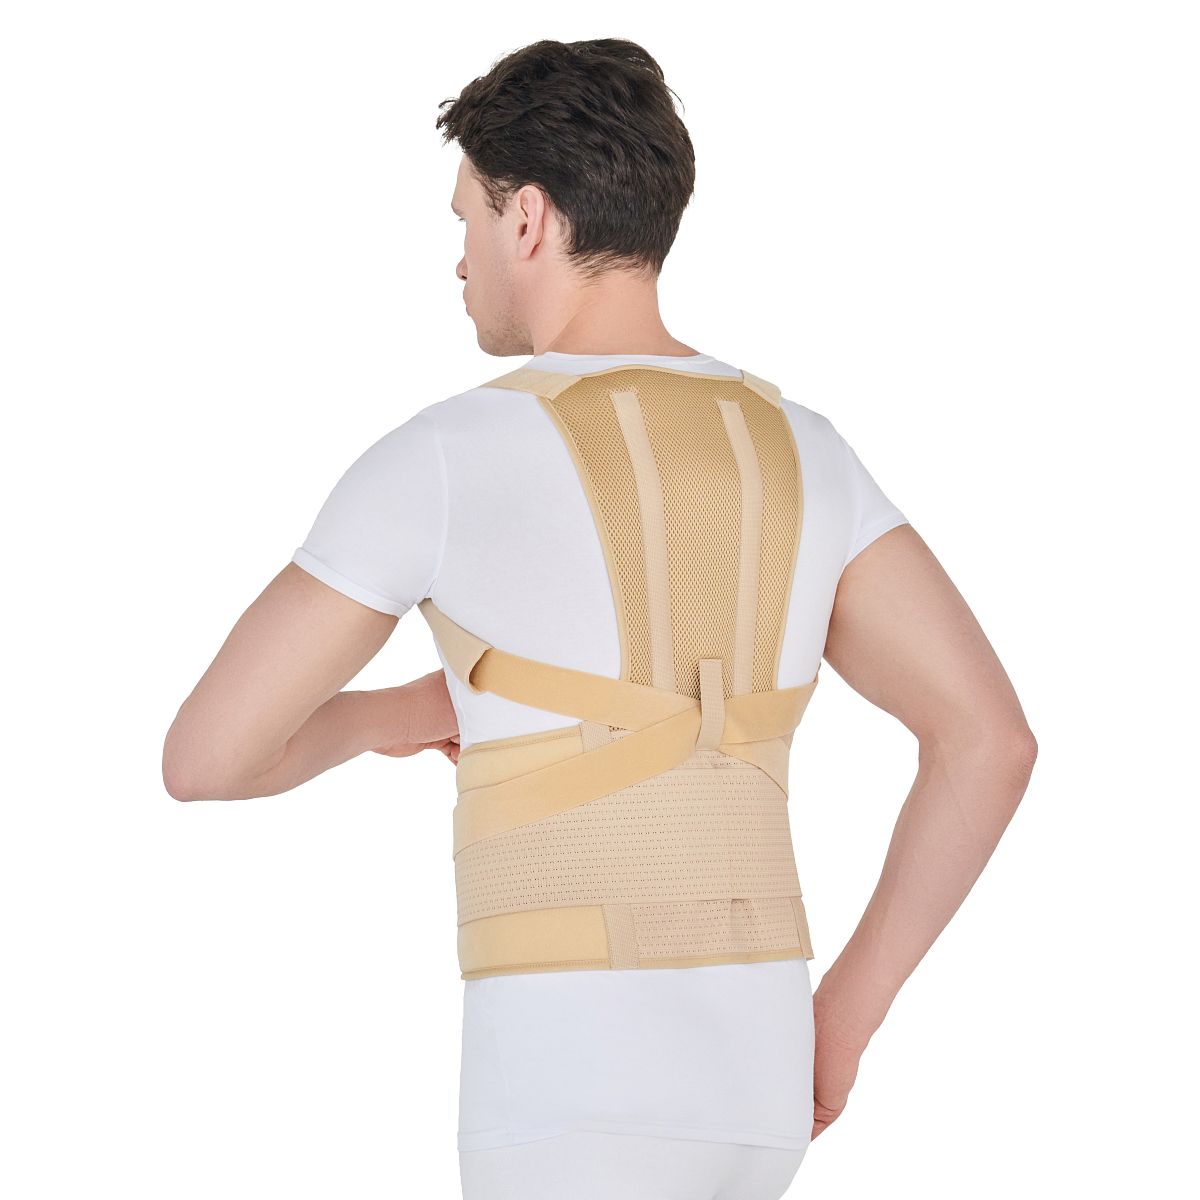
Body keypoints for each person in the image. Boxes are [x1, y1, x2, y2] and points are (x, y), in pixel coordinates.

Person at [163, 38, 1036, 1200]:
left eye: (466, 216)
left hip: (568, 1088)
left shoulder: (444, 455)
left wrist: (390, 719)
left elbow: (206, 760)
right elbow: (990, 741)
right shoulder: (807, 450)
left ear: (527, 217)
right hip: (759, 1080)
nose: (458, 257)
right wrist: (847, 1015)